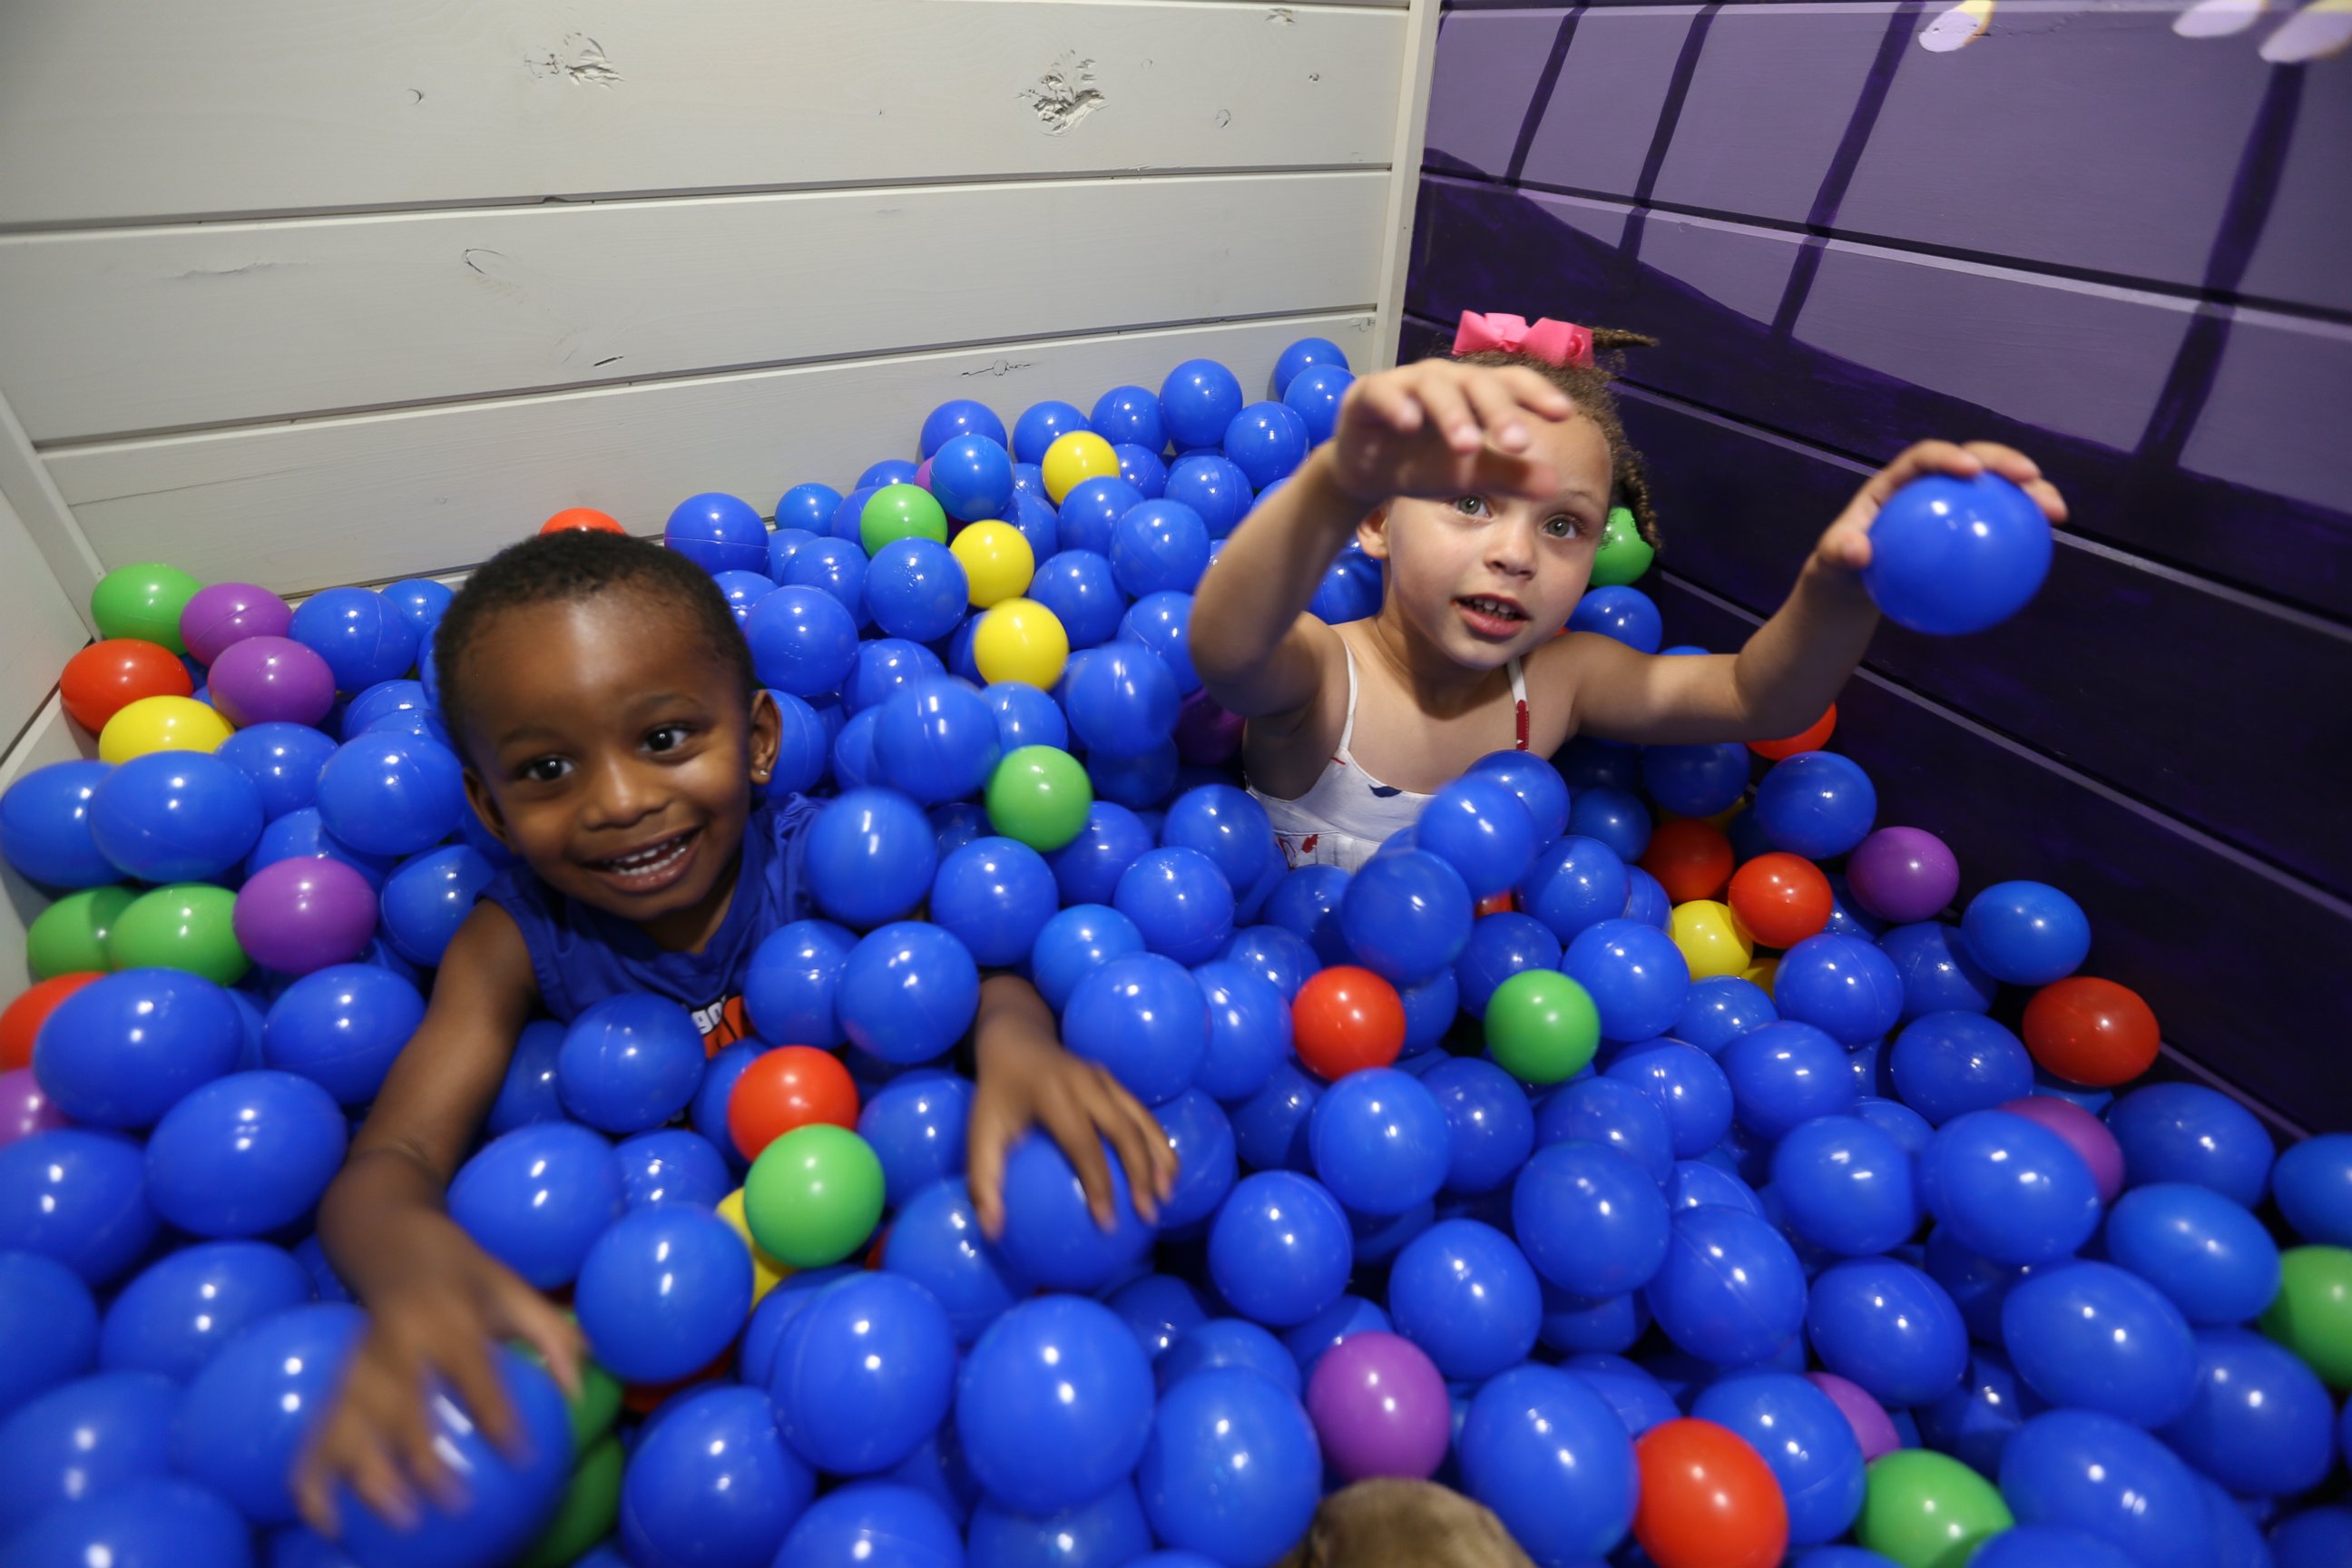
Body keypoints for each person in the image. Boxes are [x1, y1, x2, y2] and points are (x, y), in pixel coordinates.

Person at [295, 530, 1173, 1533]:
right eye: (546, 768)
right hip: (658, 1321)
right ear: (488, 807)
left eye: (665, 739)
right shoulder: (512, 939)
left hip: (889, 1273)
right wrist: (411, 1264)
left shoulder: (834, 860)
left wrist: (1020, 1042)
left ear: (758, 740)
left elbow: (968, 967)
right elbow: (390, 1158)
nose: (619, 801)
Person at [1191, 310, 2068, 871]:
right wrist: (1334, 481)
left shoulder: (1564, 681)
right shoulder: (1324, 672)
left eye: (1562, 525)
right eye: (1470, 503)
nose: (1515, 554)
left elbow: (1755, 696)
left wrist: (1842, 584)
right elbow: (1228, 650)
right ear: (1378, 522)